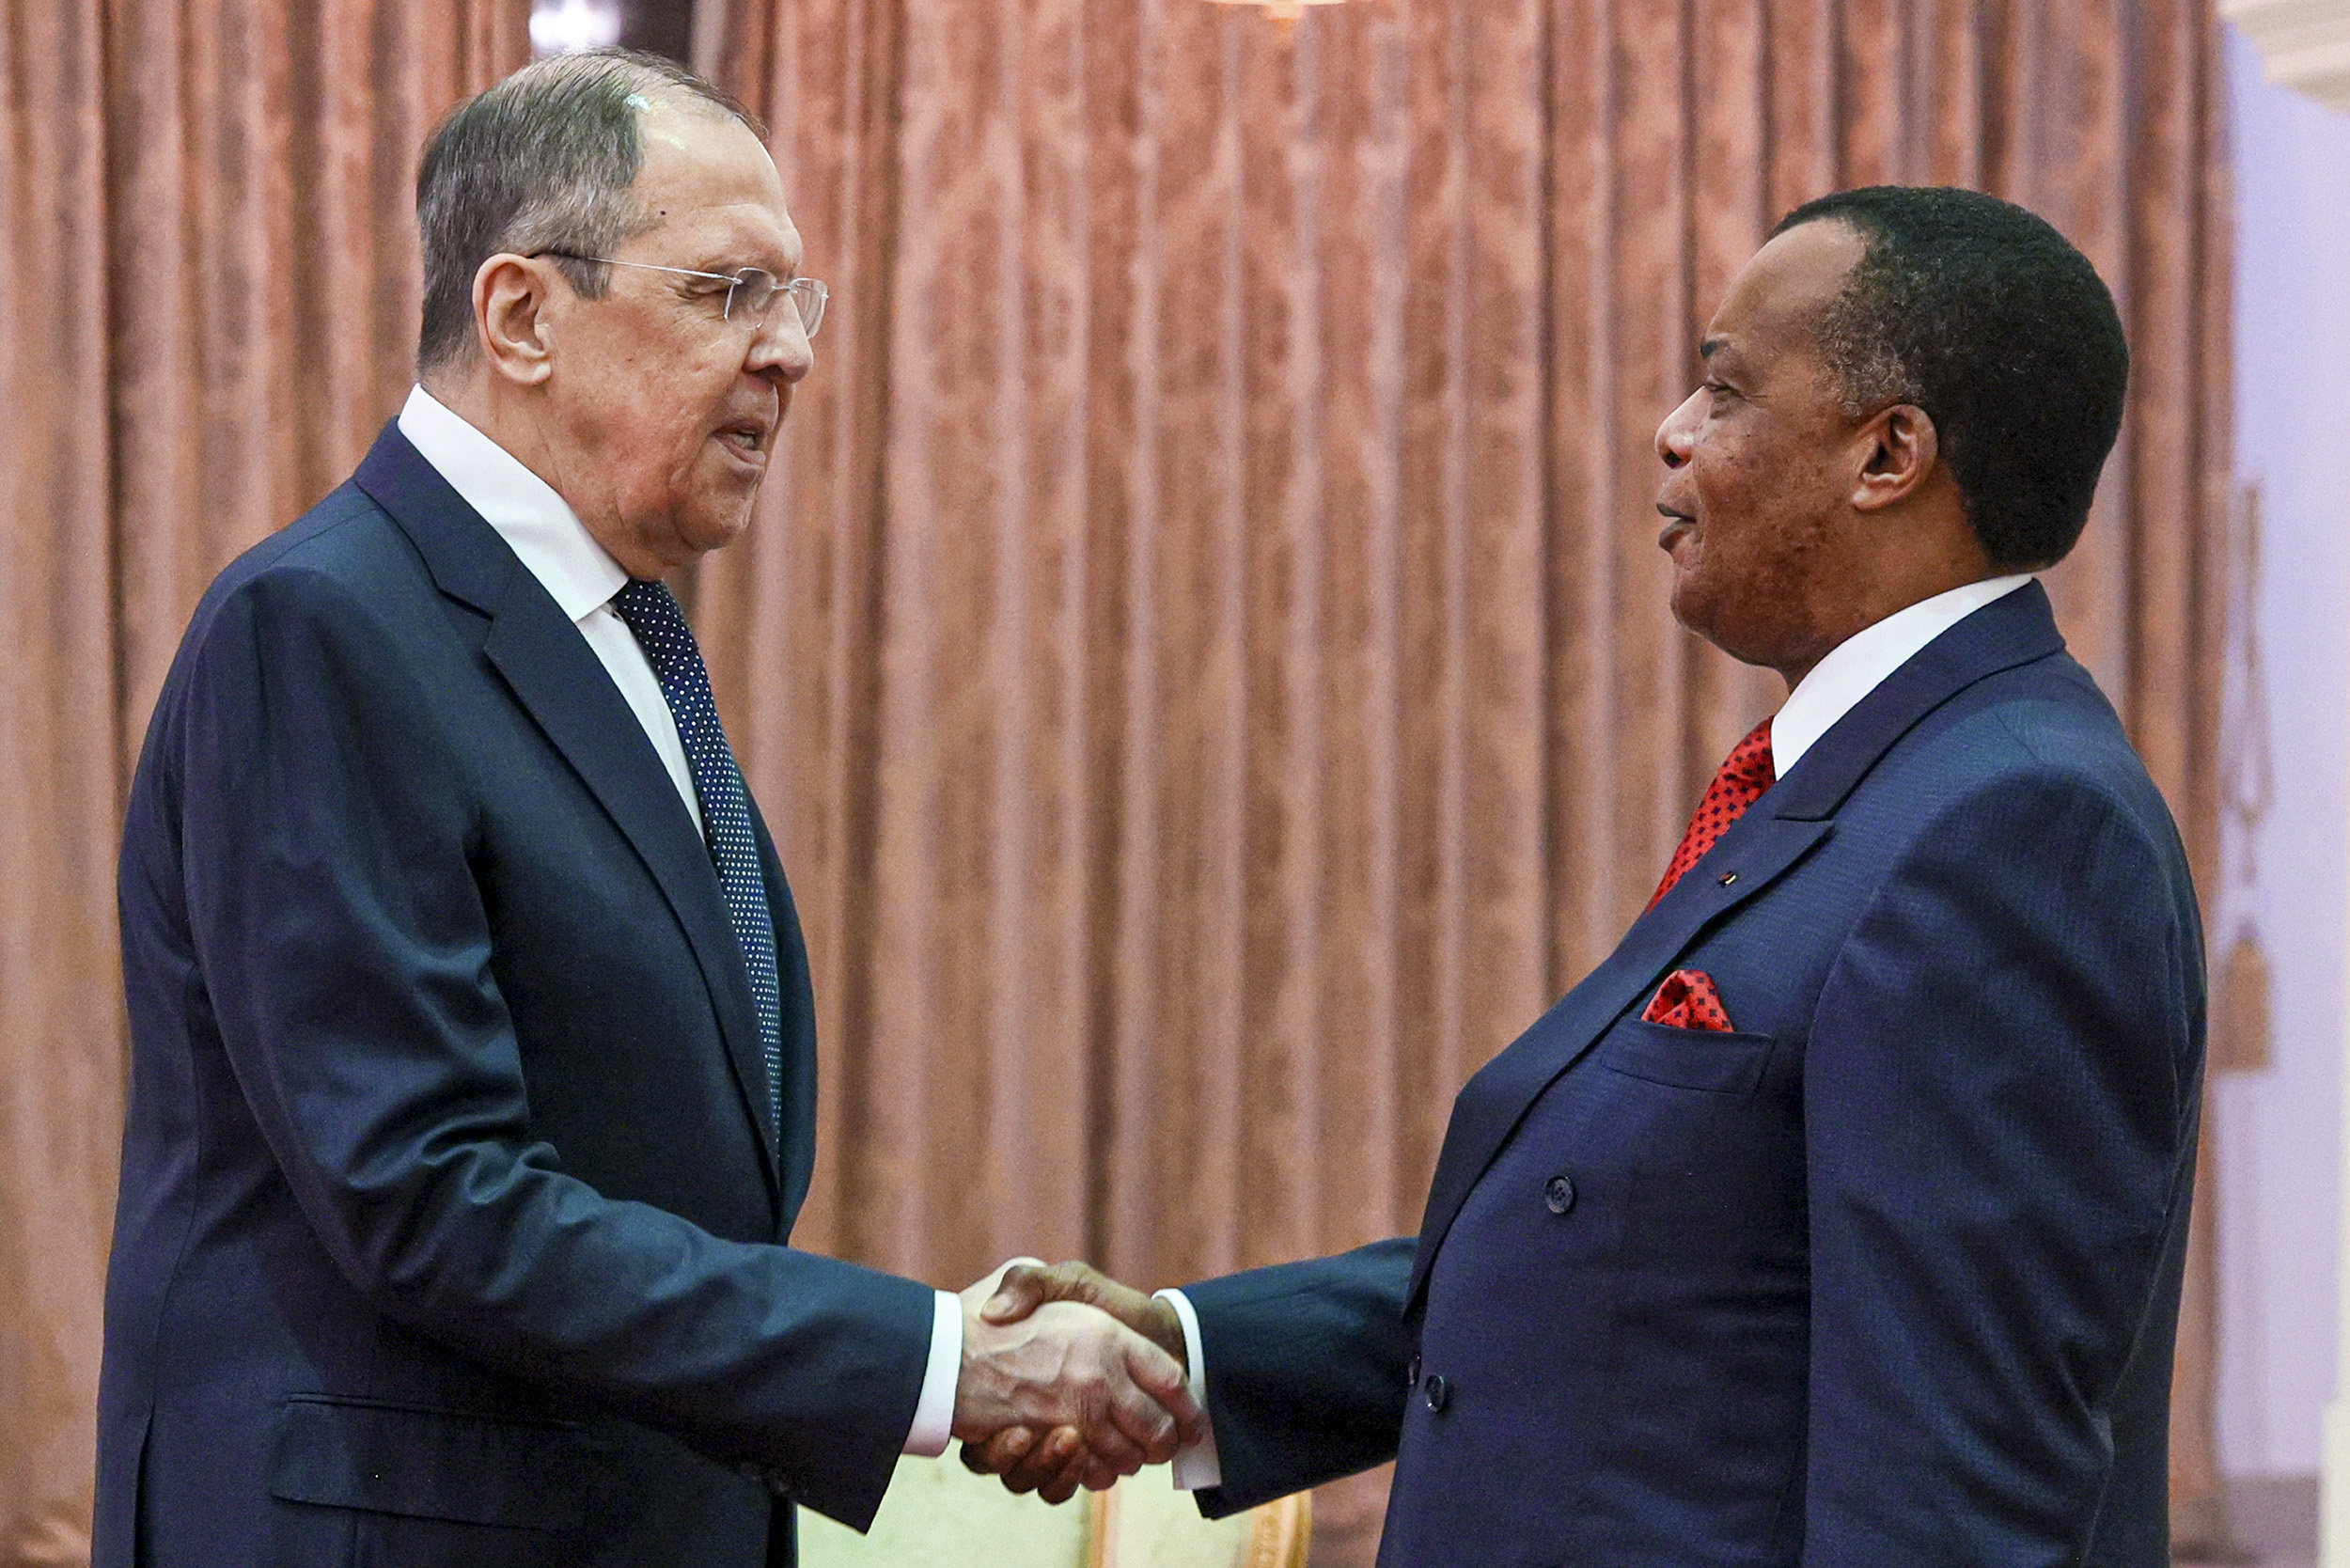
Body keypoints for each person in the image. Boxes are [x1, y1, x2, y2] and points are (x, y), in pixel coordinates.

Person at [971, 186, 2206, 1567]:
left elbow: (1950, 1491)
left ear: (1888, 453)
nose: (1671, 431)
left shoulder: (2012, 825)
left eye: (1722, 388)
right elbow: (1638, 1264)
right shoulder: (1873, 776)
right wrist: (1191, 1352)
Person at [94, 49, 1196, 1568]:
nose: (790, 355)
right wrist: (936, 1361)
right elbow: (429, 1195)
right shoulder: (325, 627)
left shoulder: (624, 636)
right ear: (522, 315)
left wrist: (934, 1348)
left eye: (796, 303)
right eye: (726, 293)